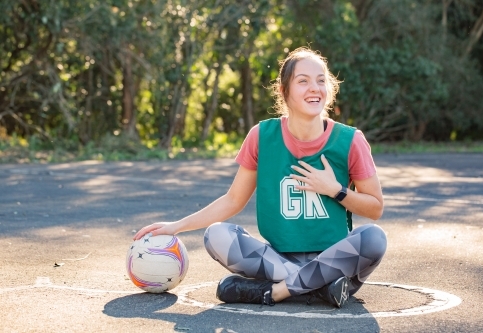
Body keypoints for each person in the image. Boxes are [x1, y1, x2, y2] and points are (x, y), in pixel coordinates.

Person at [133, 47, 387, 308]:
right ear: (283, 91)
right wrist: (176, 226)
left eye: (321, 80)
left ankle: (276, 292)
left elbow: (375, 208)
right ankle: (318, 290)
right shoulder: (262, 136)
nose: (315, 88)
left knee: (374, 238)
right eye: (303, 81)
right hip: (279, 262)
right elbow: (233, 201)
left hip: (336, 263)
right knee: (216, 235)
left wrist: (335, 190)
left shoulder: (350, 140)